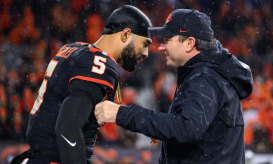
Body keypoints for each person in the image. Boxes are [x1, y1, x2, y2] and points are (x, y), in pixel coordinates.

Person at [95, 9, 254, 164]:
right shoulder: (206, 73)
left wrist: (121, 113)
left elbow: (187, 129)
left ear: (189, 43)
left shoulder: (204, 78)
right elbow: (194, 128)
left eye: (167, 40)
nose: (161, 47)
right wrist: (165, 130)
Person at [10, 5, 152, 164]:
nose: (146, 53)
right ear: (126, 34)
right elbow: (68, 128)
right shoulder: (101, 64)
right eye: (144, 44)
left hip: (38, 156)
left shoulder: (72, 49)